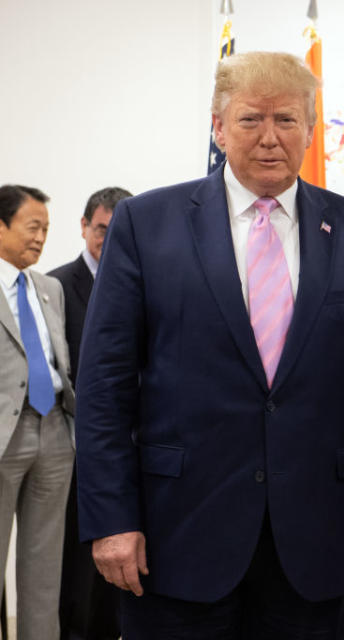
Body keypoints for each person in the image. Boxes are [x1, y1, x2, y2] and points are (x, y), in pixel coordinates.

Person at [75, 52, 344, 639]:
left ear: (310, 129)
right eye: (251, 119)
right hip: (173, 537)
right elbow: (104, 388)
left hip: (312, 542)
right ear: (218, 126)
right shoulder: (144, 223)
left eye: (287, 120)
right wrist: (110, 518)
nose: (269, 138)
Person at [49, 186, 131, 640]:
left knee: (124, 569)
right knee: (75, 565)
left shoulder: (143, 281)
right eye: (101, 229)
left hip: (132, 446)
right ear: (84, 227)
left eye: (117, 231)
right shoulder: (56, 287)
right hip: (73, 446)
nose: (108, 239)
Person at [0, 184, 75, 640]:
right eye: (32, 227)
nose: (41, 237)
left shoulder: (50, 288)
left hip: (54, 433)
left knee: (45, 564)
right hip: (4, 435)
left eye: (46, 229)